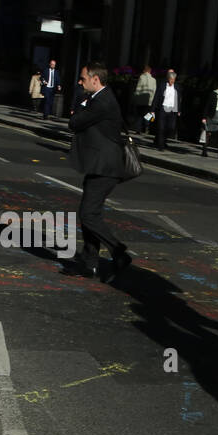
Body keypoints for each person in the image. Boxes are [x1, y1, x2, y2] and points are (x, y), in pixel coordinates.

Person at [66, 62, 133, 281]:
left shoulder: (102, 102)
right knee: (89, 213)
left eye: (83, 78)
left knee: (88, 213)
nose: (80, 81)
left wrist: (82, 105)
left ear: (96, 80)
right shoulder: (100, 99)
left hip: (106, 167)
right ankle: (89, 262)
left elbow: (74, 122)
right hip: (100, 165)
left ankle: (118, 251)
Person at [150, 69, 182, 150]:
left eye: (173, 80)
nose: (172, 81)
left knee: (171, 127)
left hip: (172, 110)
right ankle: (161, 145)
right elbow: (156, 97)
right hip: (163, 109)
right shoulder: (162, 85)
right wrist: (152, 109)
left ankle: (164, 141)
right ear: (168, 79)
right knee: (161, 127)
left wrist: (179, 110)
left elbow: (178, 99)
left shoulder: (177, 87)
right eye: (171, 80)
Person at [133, 64, 157, 132]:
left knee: (139, 115)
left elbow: (138, 88)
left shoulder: (142, 77)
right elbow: (154, 91)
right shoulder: (154, 80)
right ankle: (146, 126)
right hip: (149, 101)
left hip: (141, 100)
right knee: (147, 114)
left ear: (144, 71)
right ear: (150, 71)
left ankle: (138, 129)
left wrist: (136, 97)